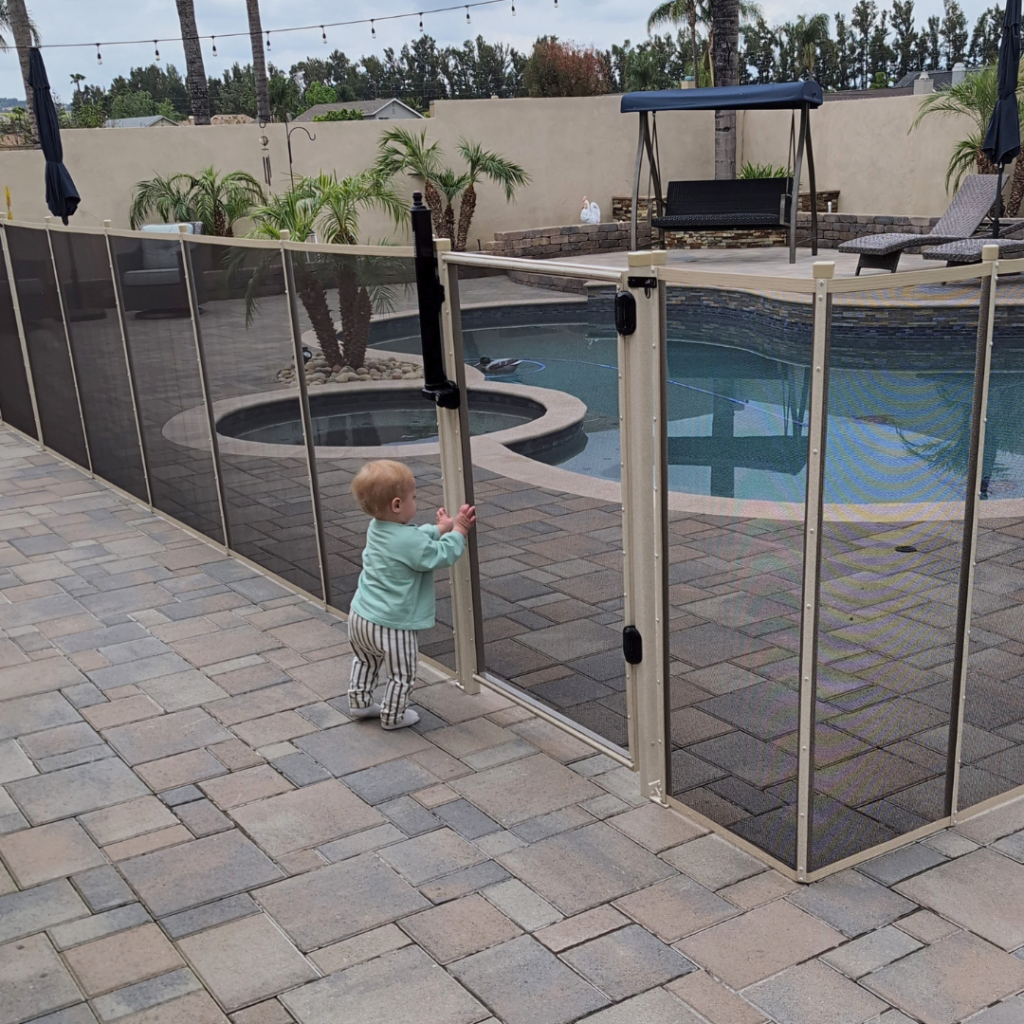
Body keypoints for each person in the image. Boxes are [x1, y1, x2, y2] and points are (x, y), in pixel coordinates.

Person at [347, 459, 476, 730]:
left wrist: (439, 528)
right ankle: (393, 716)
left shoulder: (377, 527)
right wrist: (458, 532)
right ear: (397, 505)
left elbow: (412, 535)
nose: (415, 502)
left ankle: (359, 703)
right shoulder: (409, 541)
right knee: (402, 674)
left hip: (360, 616)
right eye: (413, 498)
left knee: (366, 660)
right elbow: (439, 555)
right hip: (393, 625)